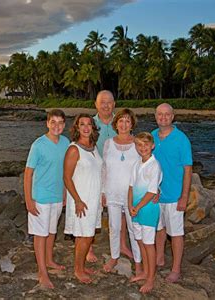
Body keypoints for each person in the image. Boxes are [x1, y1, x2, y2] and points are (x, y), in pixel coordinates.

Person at [24, 109, 70, 289]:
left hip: (57, 196)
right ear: (47, 123)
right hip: (40, 197)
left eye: (60, 123)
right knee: (40, 235)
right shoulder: (38, 145)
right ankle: (42, 272)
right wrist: (28, 199)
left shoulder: (66, 142)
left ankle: (49, 260)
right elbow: (28, 174)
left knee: (51, 231)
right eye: (53, 122)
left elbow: (65, 170)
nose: (56, 126)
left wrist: (65, 192)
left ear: (64, 125)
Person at [152, 103, 193, 283]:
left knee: (176, 233)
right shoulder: (152, 137)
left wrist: (184, 197)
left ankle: (176, 269)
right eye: (160, 114)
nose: (163, 118)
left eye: (167, 115)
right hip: (155, 195)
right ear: (155, 116)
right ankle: (159, 257)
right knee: (159, 229)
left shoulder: (181, 139)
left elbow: (188, 169)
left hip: (174, 196)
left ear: (173, 116)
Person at [93, 90, 133, 261]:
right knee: (94, 209)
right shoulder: (91, 124)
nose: (106, 105)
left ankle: (122, 245)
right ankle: (89, 247)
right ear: (96, 104)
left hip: (117, 174)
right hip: (95, 172)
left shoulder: (121, 121)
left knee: (122, 212)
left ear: (114, 104)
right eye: (102, 102)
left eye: (109, 102)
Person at [101, 109, 142, 276]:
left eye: (127, 121)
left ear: (132, 124)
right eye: (121, 121)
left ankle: (138, 263)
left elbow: (146, 168)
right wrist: (102, 192)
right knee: (114, 226)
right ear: (115, 124)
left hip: (132, 194)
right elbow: (104, 169)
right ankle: (114, 256)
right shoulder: (108, 143)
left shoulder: (138, 143)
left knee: (134, 229)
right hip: (112, 192)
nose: (124, 124)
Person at [64, 114, 103, 284]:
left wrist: (102, 194)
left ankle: (81, 266)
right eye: (82, 124)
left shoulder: (93, 147)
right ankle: (78, 270)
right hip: (82, 200)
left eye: (89, 124)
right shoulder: (74, 149)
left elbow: (97, 173)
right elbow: (66, 177)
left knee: (88, 235)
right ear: (77, 128)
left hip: (94, 199)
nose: (86, 127)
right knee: (83, 236)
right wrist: (78, 201)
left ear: (93, 128)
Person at [128, 132, 162, 294]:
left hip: (147, 210)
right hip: (135, 210)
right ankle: (145, 272)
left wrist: (138, 207)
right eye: (139, 145)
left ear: (152, 145)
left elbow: (151, 192)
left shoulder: (155, 165)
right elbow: (130, 187)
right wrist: (130, 206)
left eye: (146, 145)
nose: (143, 148)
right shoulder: (136, 164)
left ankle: (150, 279)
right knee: (140, 241)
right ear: (136, 146)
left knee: (149, 244)